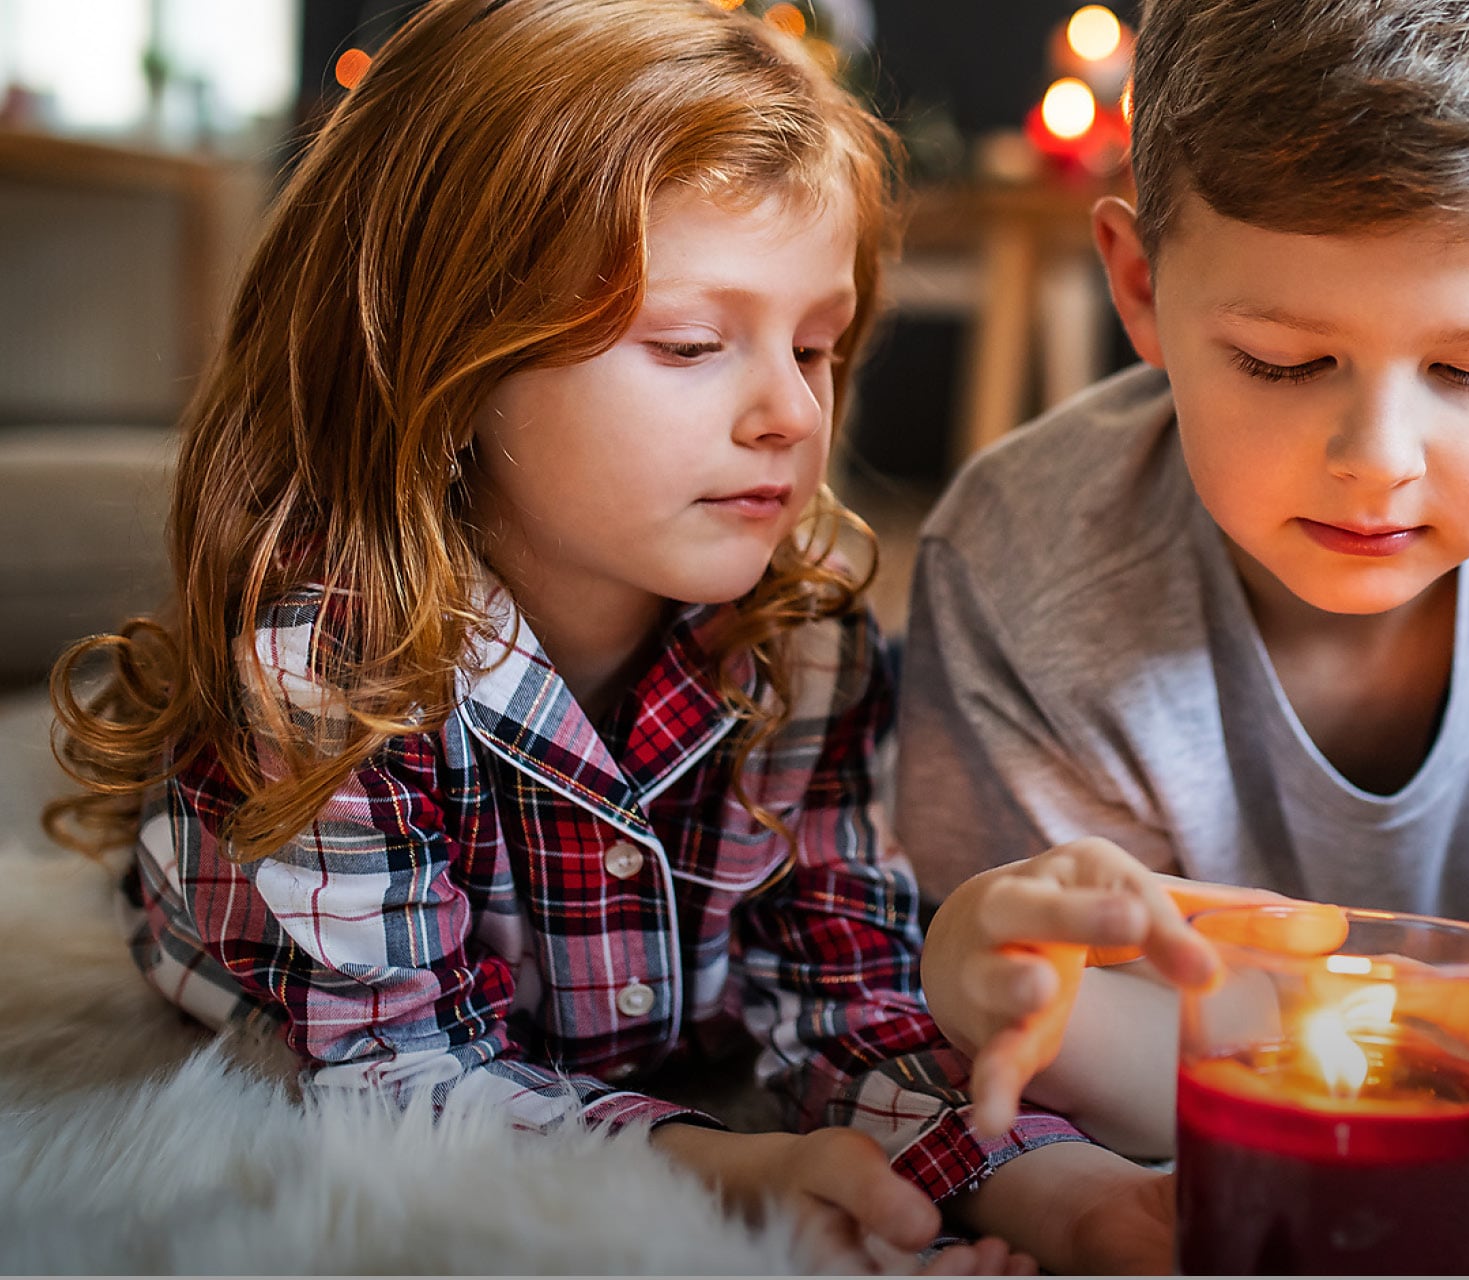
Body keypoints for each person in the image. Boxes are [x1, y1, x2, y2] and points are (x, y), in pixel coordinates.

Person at [41, 2, 1167, 1272]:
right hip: (288, 943)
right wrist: (746, 1170)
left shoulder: (807, 647)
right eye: (690, 343)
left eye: (816, 345)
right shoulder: (323, 669)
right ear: (448, 358)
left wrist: (1059, 1191)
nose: (792, 412)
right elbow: (402, 1080)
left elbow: (848, 996)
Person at [898, 0, 1469, 1250]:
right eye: (1282, 361)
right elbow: (1069, 1051)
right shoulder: (1024, 569)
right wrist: (973, 969)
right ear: (1138, 283)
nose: (1376, 464)